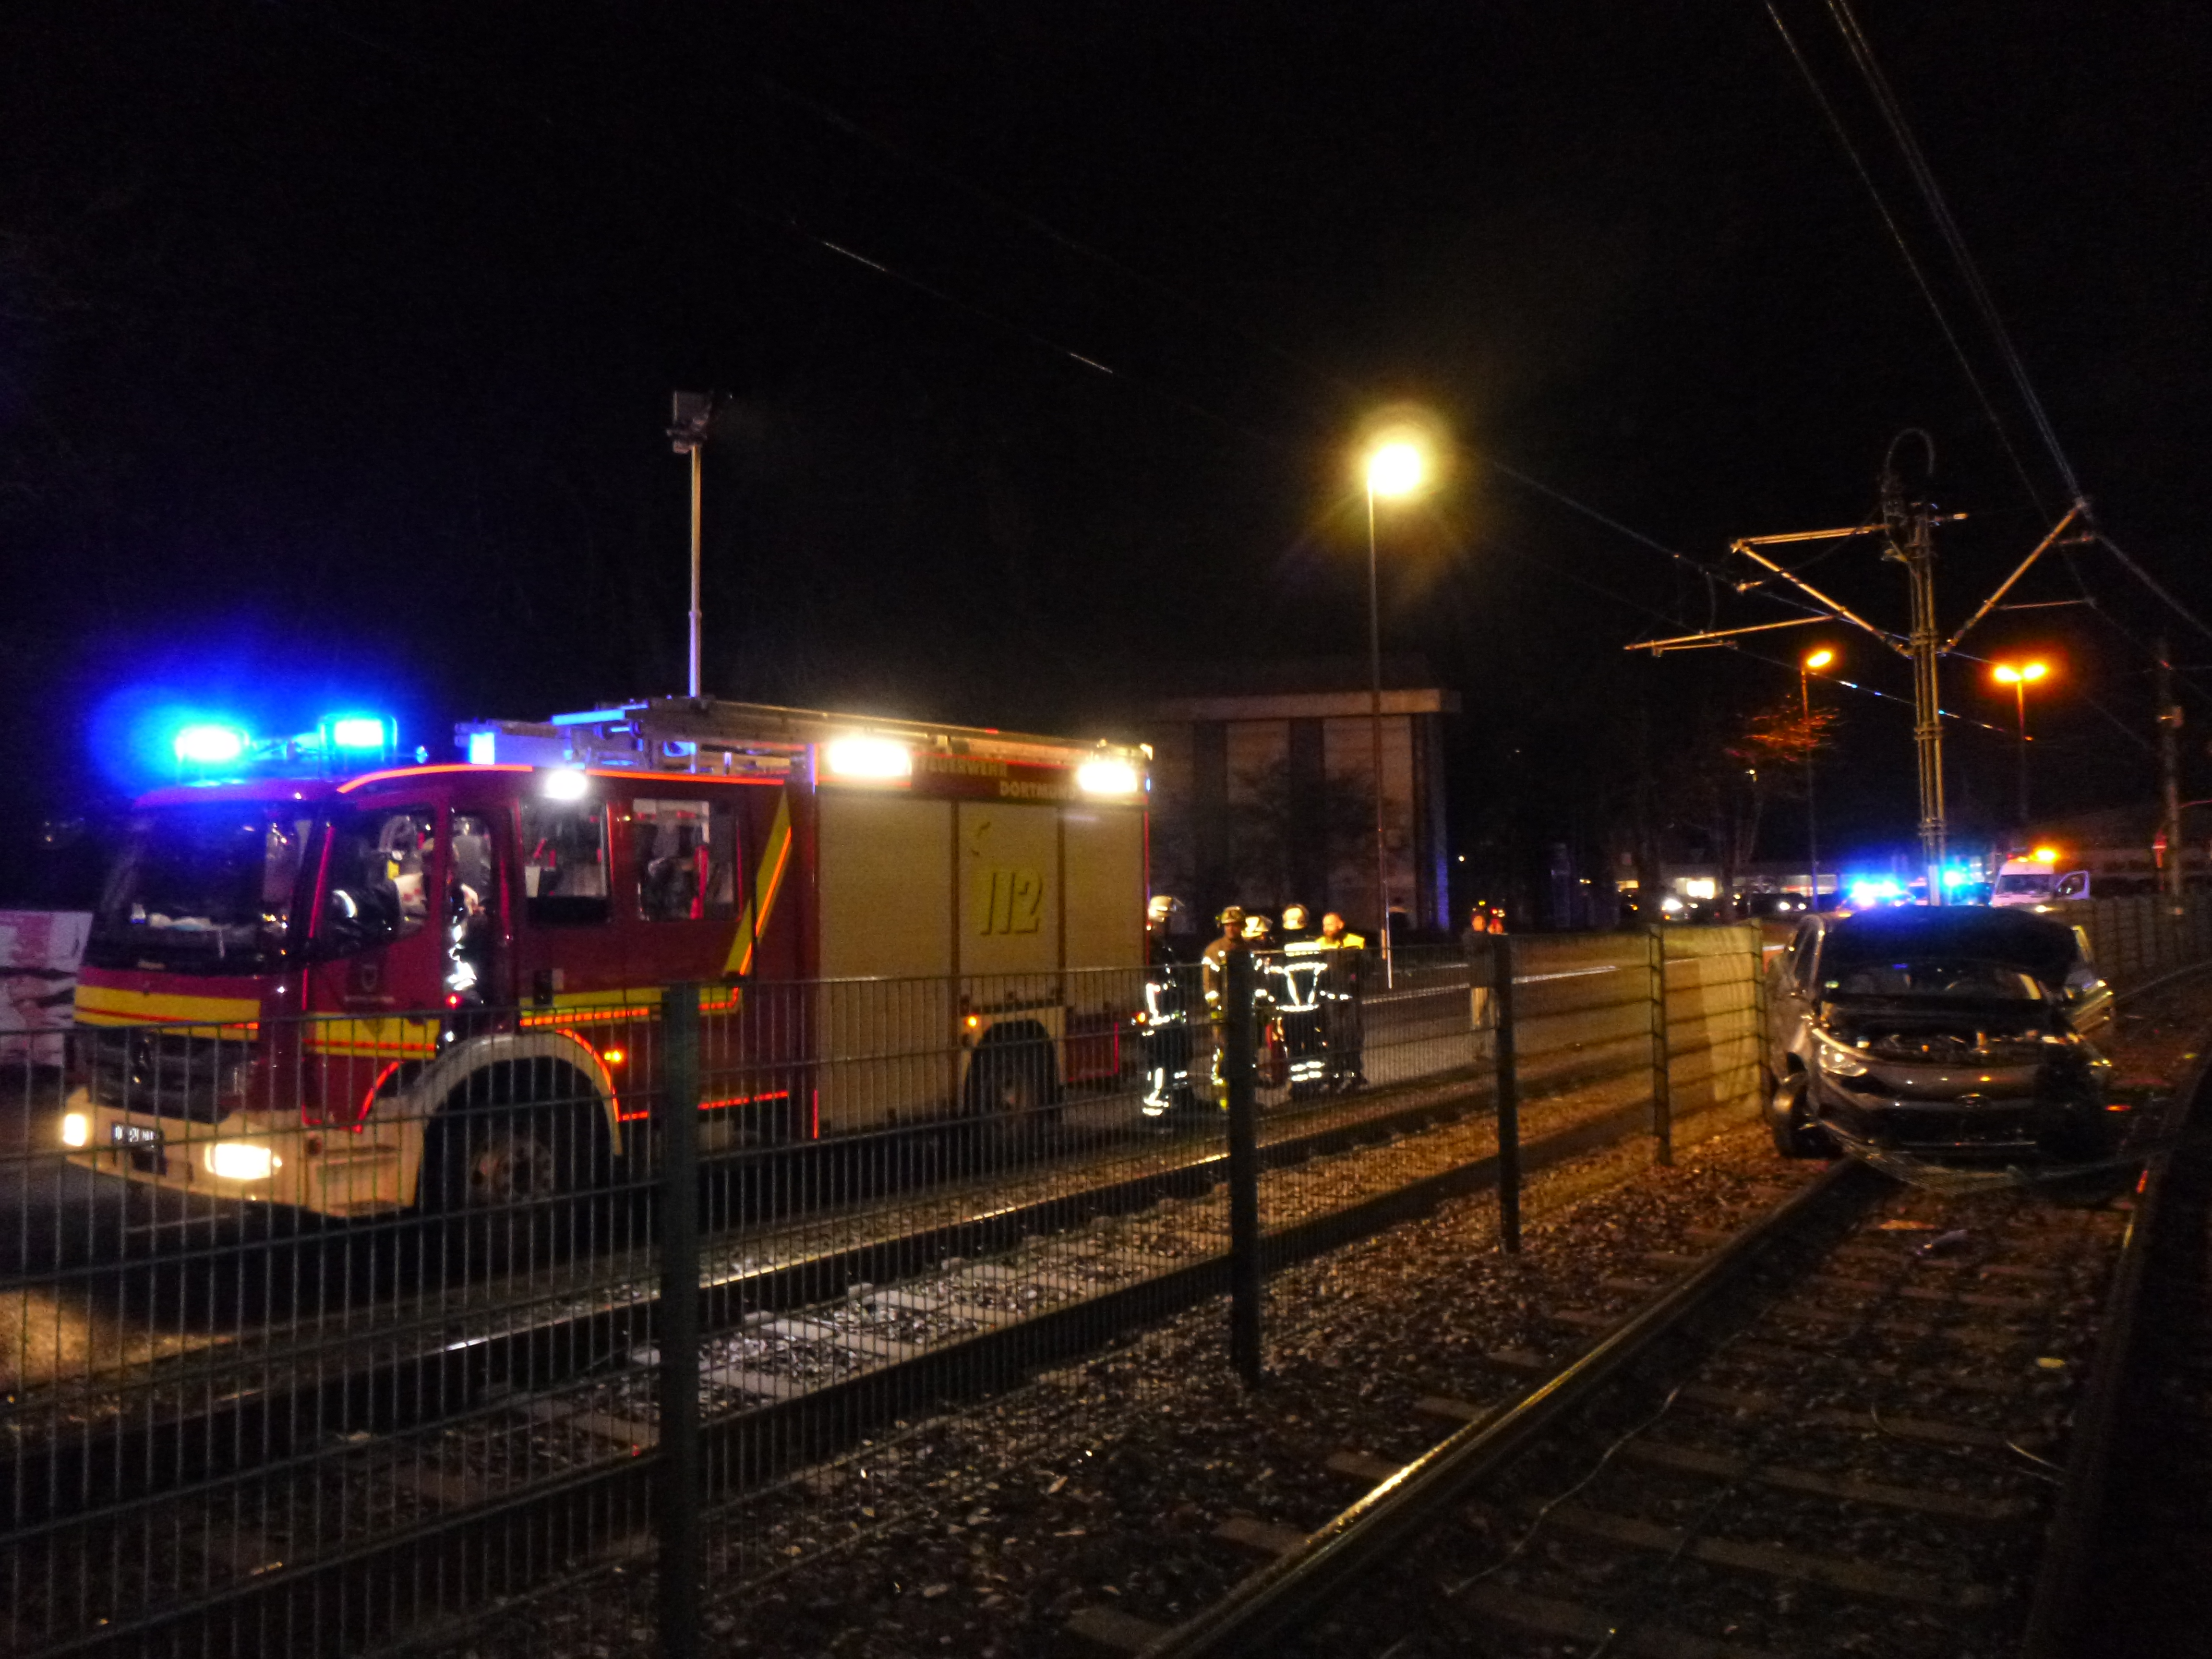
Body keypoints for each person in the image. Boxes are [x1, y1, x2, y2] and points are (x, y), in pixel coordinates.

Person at [1313, 911, 1367, 1089]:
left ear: (1340, 925)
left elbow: (1366, 967)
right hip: (1330, 1001)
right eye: (1324, 925)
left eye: (1330, 924)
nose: (1326, 928)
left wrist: (1356, 983)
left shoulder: (1356, 942)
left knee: (1352, 1036)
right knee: (1333, 1036)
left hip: (1351, 999)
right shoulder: (1318, 944)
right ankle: (1335, 1074)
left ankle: (1355, 1073)